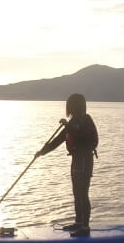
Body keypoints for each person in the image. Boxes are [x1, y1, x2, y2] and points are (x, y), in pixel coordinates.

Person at [36, 93, 98, 235]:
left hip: (84, 160)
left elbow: (86, 138)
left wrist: (68, 126)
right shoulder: (72, 122)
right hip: (76, 160)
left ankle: (85, 227)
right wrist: (42, 152)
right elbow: (57, 141)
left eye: (70, 104)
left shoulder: (85, 120)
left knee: (83, 193)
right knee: (76, 192)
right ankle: (78, 222)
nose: (68, 107)